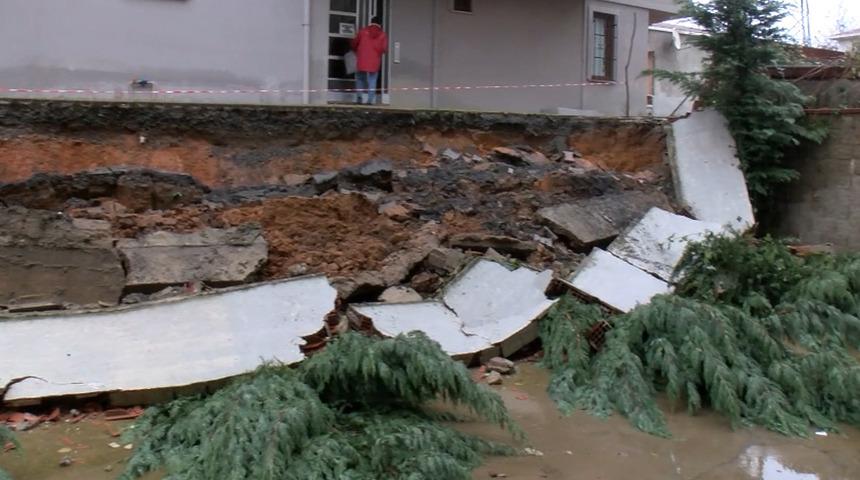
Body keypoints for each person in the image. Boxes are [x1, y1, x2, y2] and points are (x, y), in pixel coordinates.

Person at [351, 16, 388, 105]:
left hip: (362, 59)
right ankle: (370, 100)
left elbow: (354, 43)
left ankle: (359, 98)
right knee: (372, 80)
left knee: (360, 78)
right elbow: (384, 49)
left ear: (371, 22)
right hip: (374, 61)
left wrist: (356, 50)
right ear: (380, 24)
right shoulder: (383, 35)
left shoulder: (363, 31)